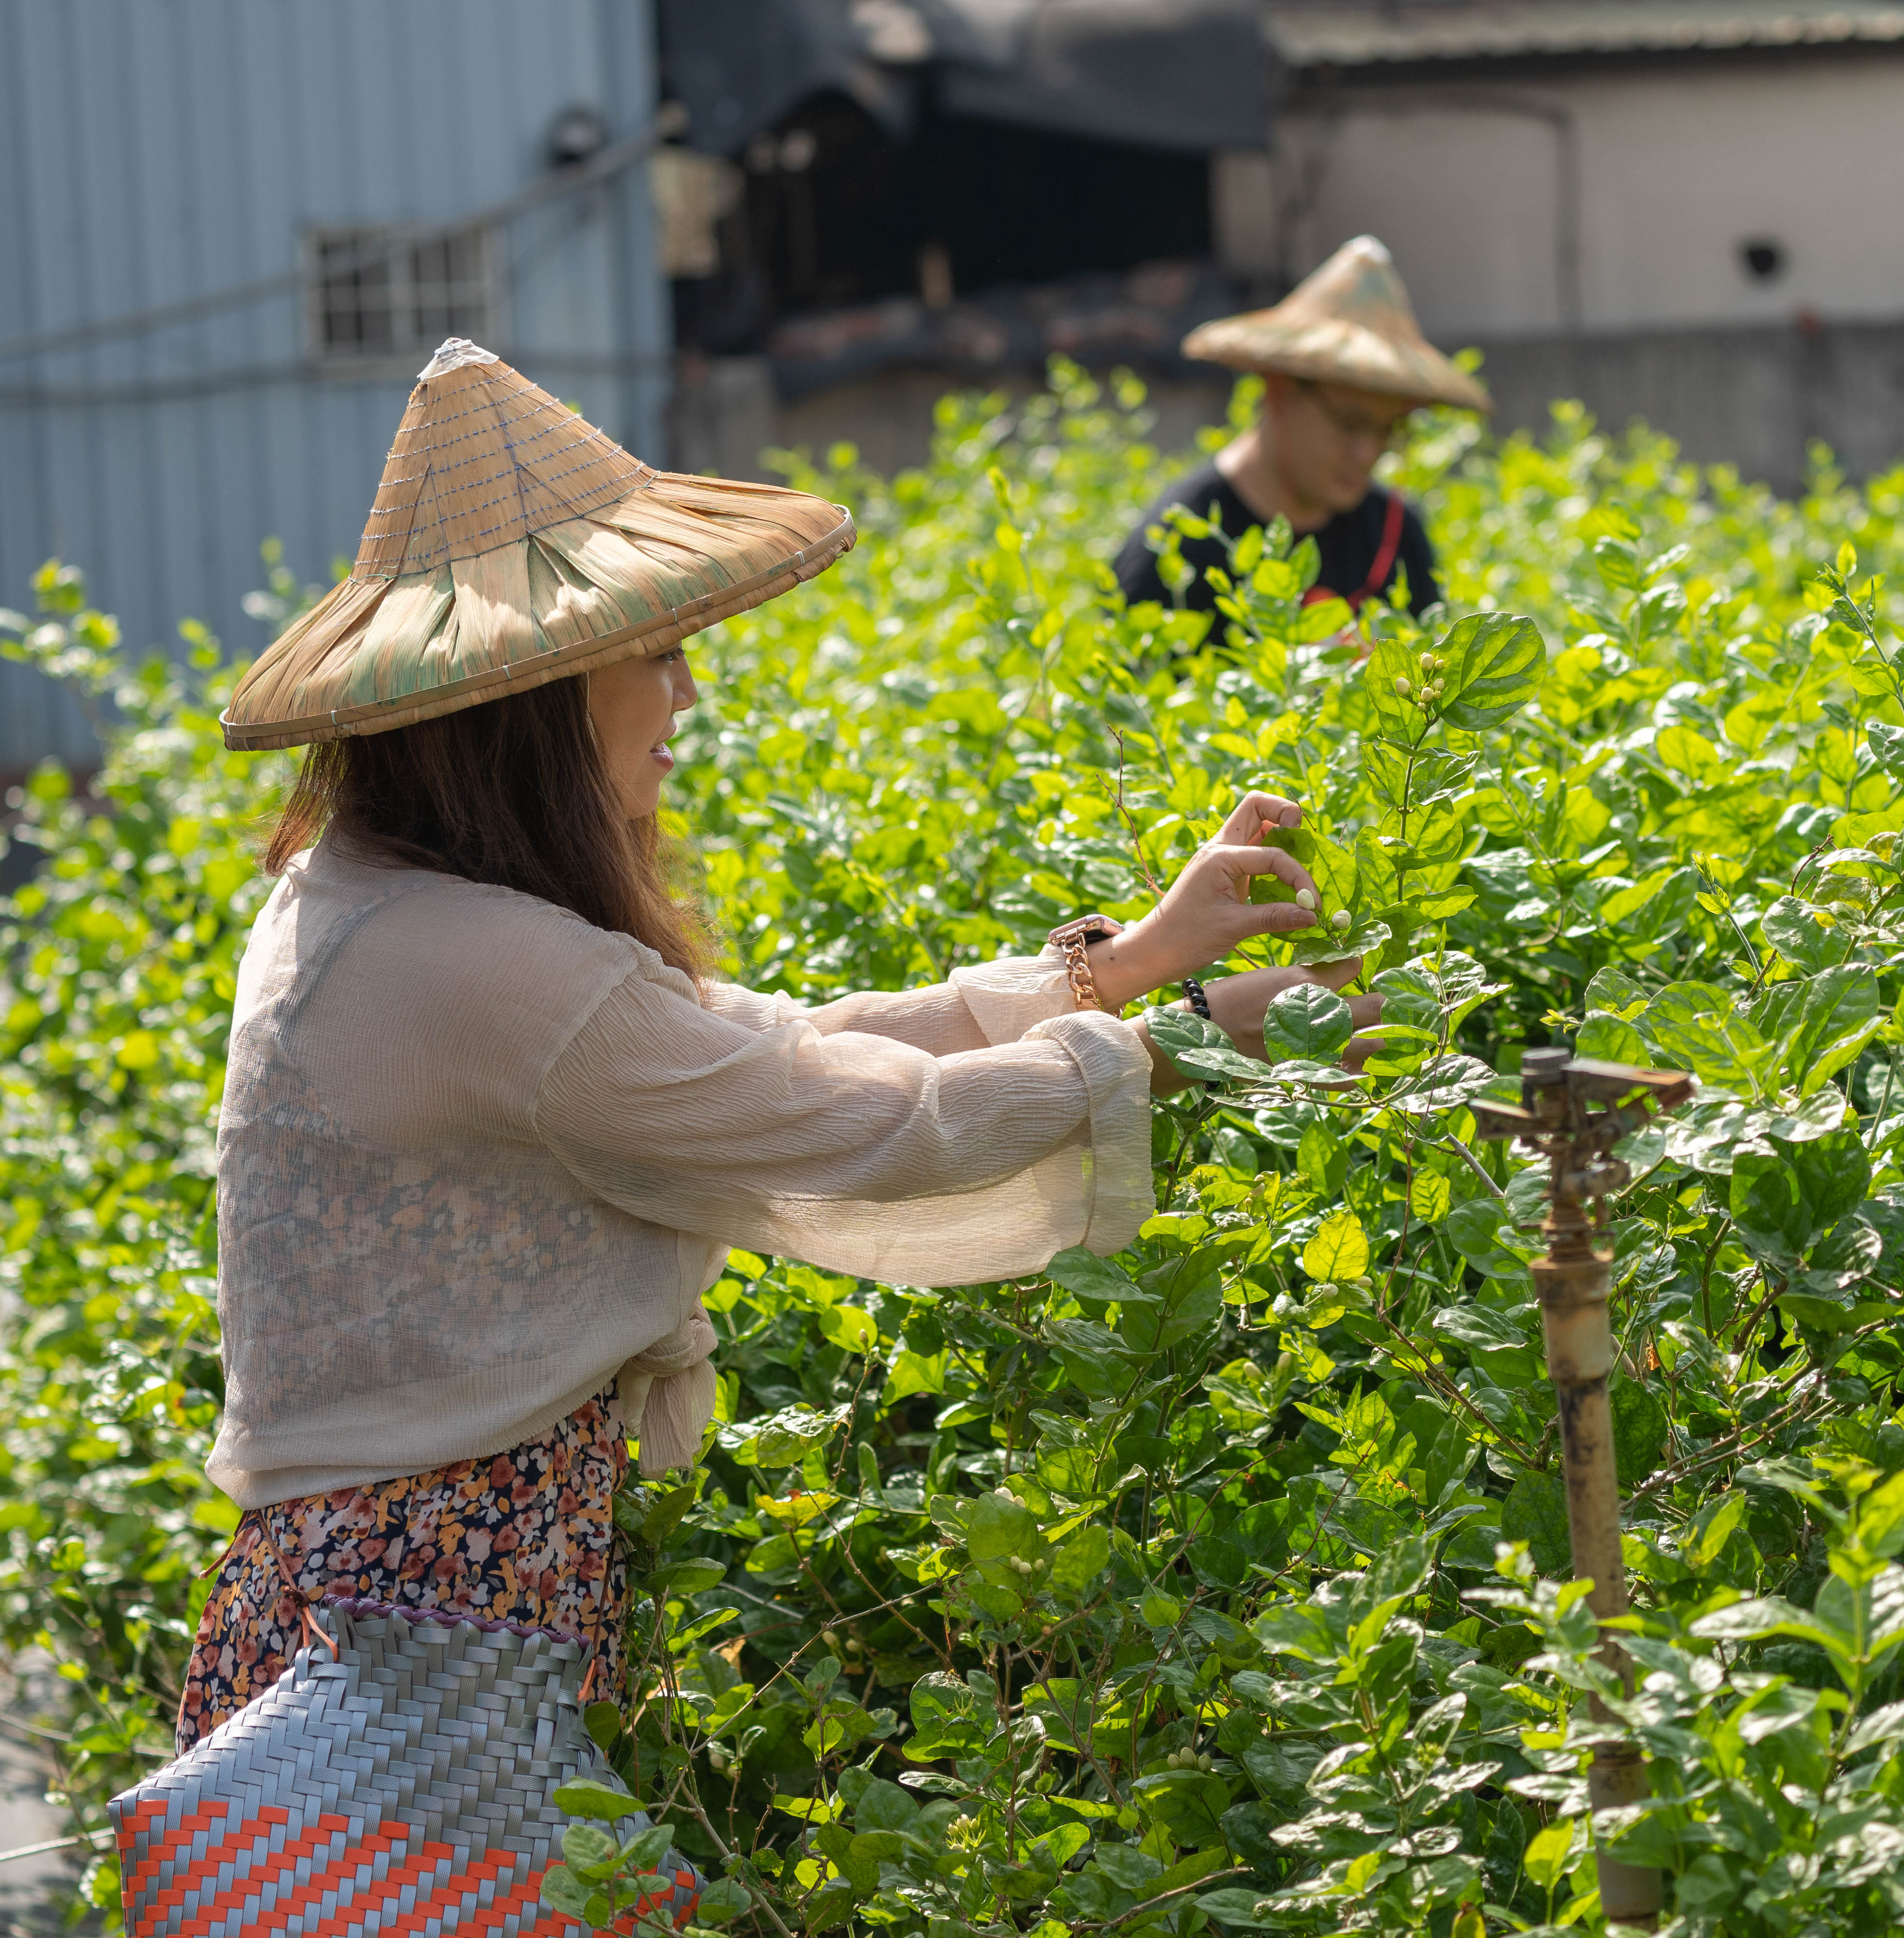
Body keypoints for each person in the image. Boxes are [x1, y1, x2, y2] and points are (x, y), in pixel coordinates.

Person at [182, 337, 1376, 1749]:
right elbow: (872, 1127)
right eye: (662, 655)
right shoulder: (484, 966)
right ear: (542, 687)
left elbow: (767, 1052)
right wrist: (1184, 1038)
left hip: (361, 1610)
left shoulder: (376, 900)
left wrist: (1119, 970)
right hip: (428, 1627)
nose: (684, 699)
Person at [1114, 235, 1489, 629]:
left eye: (1387, 431)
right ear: (1279, 389)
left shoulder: (1395, 533)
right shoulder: (1178, 548)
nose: (1368, 453)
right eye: (1350, 423)